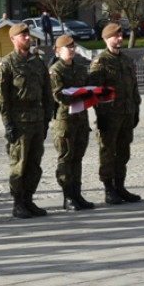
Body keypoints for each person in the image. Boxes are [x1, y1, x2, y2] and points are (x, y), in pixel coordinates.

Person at [0, 22, 54, 218]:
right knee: (19, 163)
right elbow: (1, 97)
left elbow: (47, 91)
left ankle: (29, 199)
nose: (27, 38)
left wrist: (47, 118)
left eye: (28, 34)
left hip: (37, 119)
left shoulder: (37, 62)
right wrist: (8, 123)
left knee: (34, 163)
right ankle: (18, 202)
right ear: (13, 39)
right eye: (22, 35)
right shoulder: (7, 64)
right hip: (19, 121)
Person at [89, 22, 143, 204]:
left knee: (123, 152)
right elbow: (96, 91)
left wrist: (136, 109)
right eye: (115, 36)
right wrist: (101, 114)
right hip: (109, 116)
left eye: (120, 36)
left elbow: (133, 87)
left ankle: (120, 186)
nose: (119, 39)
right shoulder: (101, 62)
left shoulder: (126, 60)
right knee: (107, 152)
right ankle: (109, 188)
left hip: (126, 113)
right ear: (106, 39)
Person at [49, 34, 95, 210]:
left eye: (73, 47)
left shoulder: (80, 69)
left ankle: (77, 193)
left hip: (81, 119)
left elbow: (89, 88)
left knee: (78, 157)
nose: (72, 50)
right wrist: (80, 95)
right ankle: (67, 196)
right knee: (66, 158)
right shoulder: (56, 71)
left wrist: (89, 93)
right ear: (59, 50)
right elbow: (60, 95)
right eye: (68, 48)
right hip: (65, 121)